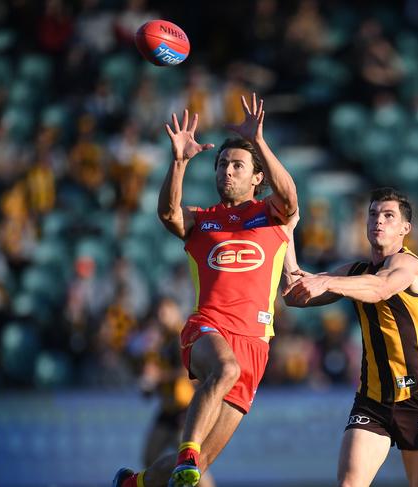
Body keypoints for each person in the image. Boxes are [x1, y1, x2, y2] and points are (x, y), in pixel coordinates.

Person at [114, 93, 298, 487]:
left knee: (196, 472)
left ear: (257, 176)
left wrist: (260, 143)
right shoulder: (203, 220)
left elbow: (291, 197)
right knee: (223, 372)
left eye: (237, 165)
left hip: (256, 345)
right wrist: (179, 163)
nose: (227, 172)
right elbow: (167, 213)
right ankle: (186, 453)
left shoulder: (272, 215)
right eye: (221, 165)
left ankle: (134, 484)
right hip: (208, 329)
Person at [282, 187, 418, 487]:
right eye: (372, 214)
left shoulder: (408, 265)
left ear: (405, 228)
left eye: (388, 215)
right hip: (373, 400)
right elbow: (295, 296)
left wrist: (328, 281)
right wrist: (286, 232)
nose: (378, 221)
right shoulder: (357, 270)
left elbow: (380, 289)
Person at [138, 297, 214, 487]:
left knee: (191, 464)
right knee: (149, 457)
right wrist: (150, 384)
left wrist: (159, 376)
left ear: (175, 312)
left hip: (184, 409)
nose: (161, 318)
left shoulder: (184, 336)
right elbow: (158, 374)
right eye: (158, 314)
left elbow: (191, 372)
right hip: (167, 409)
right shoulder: (161, 341)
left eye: (164, 313)